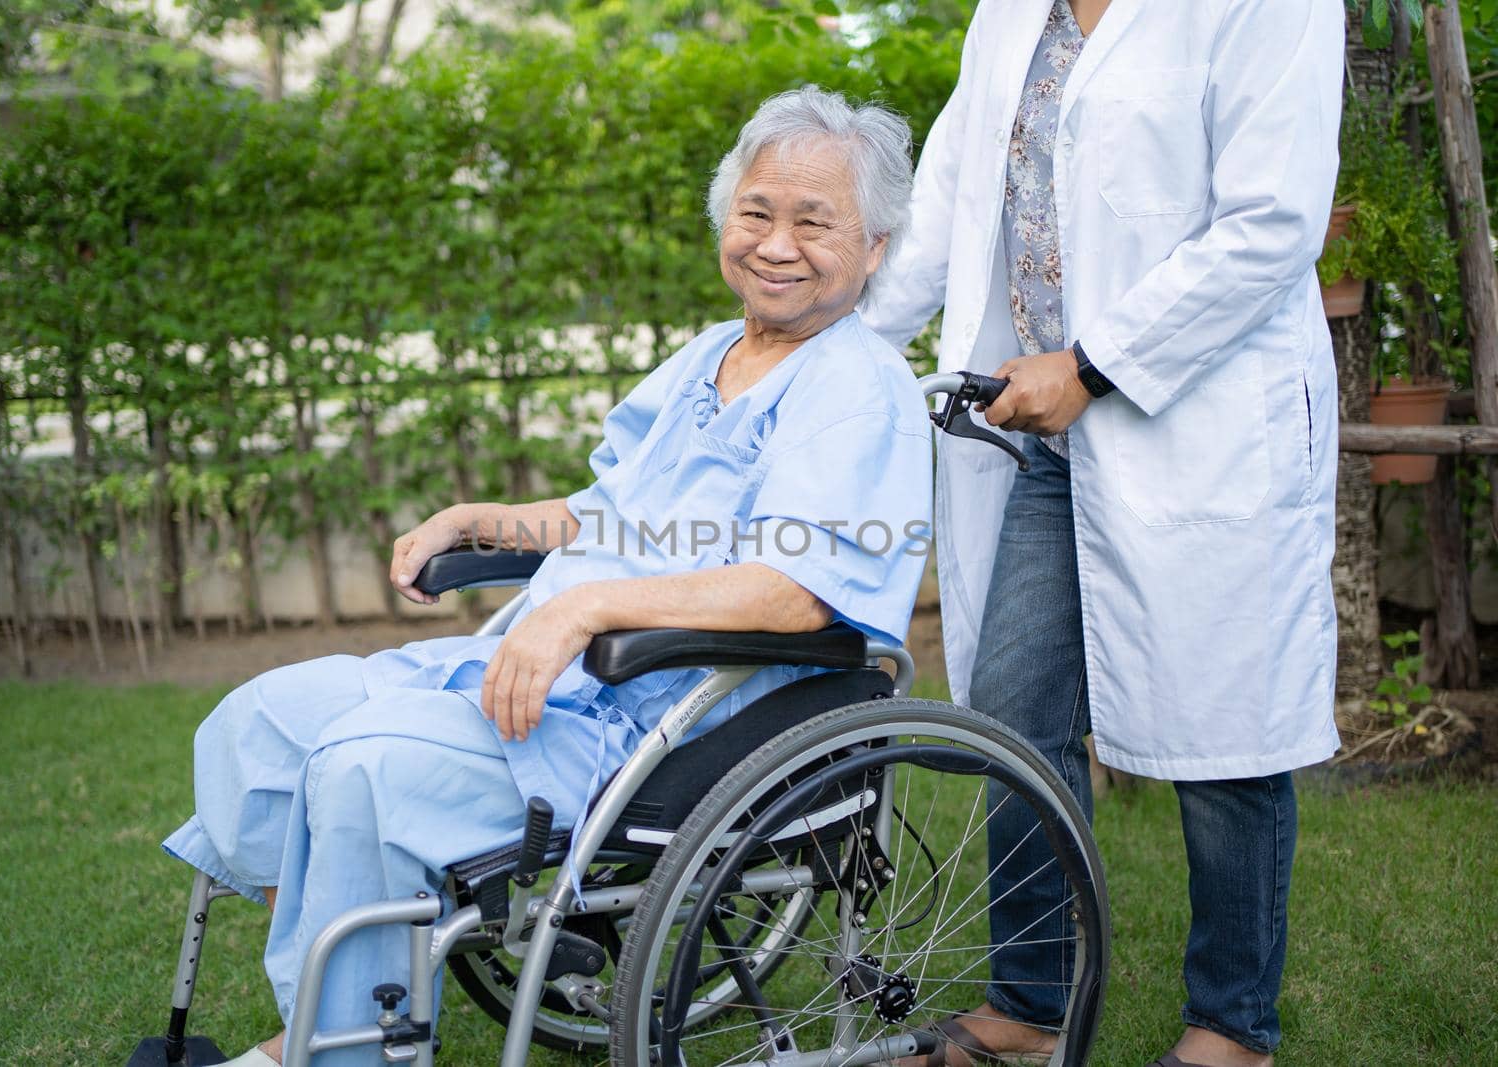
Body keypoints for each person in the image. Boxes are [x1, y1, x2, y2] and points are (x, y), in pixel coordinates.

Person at [162, 85, 934, 1067]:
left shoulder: (851, 385)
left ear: (871, 247)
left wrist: (583, 605)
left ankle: (339, 1047)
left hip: (652, 713)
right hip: (548, 669)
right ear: (724, 217)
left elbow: (798, 589)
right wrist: (480, 517)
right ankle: (351, 997)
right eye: (756, 212)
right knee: (257, 724)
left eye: (812, 222)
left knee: (360, 764)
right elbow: (606, 508)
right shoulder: (709, 354)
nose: (776, 243)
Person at [863, 2, 1344, 1066]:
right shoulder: (1009, 14)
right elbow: (947, 202)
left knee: (1227, 730)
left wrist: (1091, 365)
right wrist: (835, 352)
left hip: (1195, 418)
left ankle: (1231, 1028)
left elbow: (1270, 219)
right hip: (1033, 429)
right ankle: (1029, 1007)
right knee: (1016, 715)